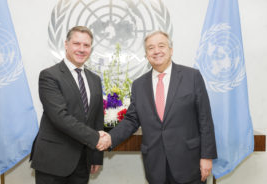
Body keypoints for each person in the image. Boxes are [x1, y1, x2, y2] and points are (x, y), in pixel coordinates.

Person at [97, 31, 217, 184]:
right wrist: (110, 138)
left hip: (189, 163)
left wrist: (206, 157)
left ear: (171, 50)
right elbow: (132, 120)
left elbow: (205, 119)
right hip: (155, 165)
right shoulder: (139, 85)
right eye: (151, 48)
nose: (156, 51)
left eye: (161, 46)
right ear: (146, 54)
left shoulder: (192, 77)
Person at [30, 26, 106, 184]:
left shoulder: (95, 79)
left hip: (82, 162)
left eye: (86, 45)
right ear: (66, 44)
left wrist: (96, 156)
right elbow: (60, 117)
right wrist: (96, 138)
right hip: (52, 161)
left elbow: (97, 119)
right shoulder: (49, 76)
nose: (81, 49)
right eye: (76, 43)